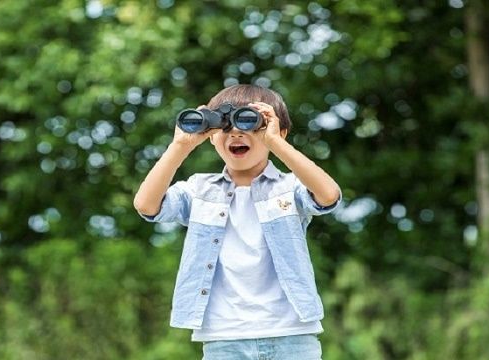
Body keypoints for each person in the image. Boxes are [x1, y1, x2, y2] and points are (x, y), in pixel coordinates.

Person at [133, 84, 342, 360]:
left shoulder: (289, 188)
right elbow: (147, 205)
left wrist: (277, 144)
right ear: (210, 135)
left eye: (249, 122)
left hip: (291, 333)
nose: (236, 132)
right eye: (224, 125)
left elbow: (328, 196)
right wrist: (180, 145)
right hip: (224, 337)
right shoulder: (199, 189)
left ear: (278, 131)